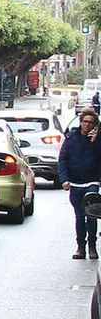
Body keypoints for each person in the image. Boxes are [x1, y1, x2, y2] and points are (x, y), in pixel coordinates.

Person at [58, 106, 101, 259]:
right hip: (75, 183)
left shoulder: (97, 139)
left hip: (92, 181)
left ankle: (92, 246)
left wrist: (95, 142)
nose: (87, 125)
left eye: (90, 122)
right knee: (79, 216)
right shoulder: (71, 138)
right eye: (84, 122)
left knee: (92, 214)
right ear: (80, 122)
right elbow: (62, 160)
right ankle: (80, 246)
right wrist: (64, 180)